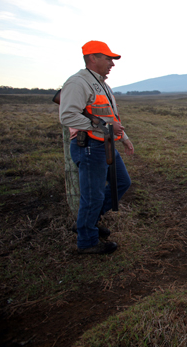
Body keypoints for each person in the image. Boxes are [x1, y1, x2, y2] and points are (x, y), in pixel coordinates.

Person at [59, 40, 134, 255]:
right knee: (93, 196)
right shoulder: (77, 82)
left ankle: (86, 222)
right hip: (90, 145)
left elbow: (109, 116)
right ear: (92, 57)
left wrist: (124, 136)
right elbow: (67, 115)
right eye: (108, 58)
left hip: (106, 144)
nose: (112, 63)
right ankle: (87, 241)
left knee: (121, 183)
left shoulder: (102, 84)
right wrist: (106, 127)